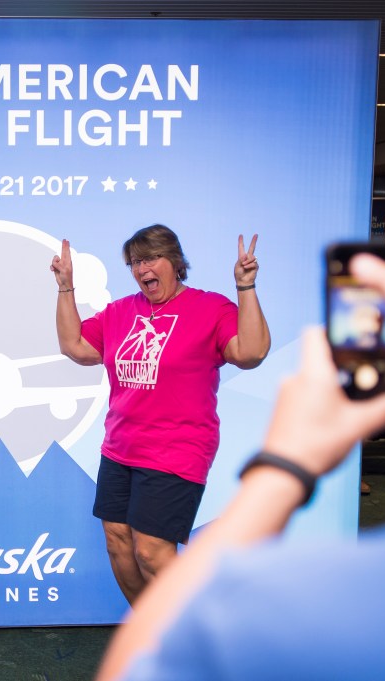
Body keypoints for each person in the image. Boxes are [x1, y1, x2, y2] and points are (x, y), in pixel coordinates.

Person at [48, 226, 271, 603]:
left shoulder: (210, 308)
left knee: (151, 550)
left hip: (178, 447)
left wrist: (245, 287)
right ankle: (151, 636)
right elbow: (75, 346)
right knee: (119, 544)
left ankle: (199, 639)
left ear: (175, 262)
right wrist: (65, 287)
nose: (142, 268)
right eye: (135, 262)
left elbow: (251, 352)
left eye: (151, 258)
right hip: (120, 447)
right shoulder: (121, 311)